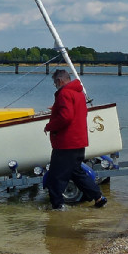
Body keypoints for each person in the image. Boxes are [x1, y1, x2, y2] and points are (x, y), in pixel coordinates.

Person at [44, 69, 107, 210]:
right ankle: (98, 197)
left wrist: (49, 126)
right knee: (76, 172)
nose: (55, 86)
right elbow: (77, 112)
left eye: (55, 83)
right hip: (79, 141)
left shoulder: (64, 93)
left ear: (60, 81)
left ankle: (57, 206)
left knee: (56, 176)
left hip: (66, 143)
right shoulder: (78, 93)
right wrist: (56, 108)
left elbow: (66, 117)